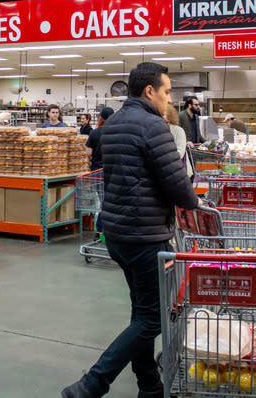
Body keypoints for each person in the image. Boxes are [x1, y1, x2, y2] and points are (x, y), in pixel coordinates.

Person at [62, 62, 199, 398]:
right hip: (146, 234)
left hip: (118, 233)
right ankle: (91, 385)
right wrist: (194, 201)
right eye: (167, 92)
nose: (170, 99)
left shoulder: (115, 123)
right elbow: (176, 184)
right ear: (149, 91)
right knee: (152, 320)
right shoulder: (154, 126)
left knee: (142, 313)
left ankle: (149, 387)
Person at [85, 107, 114, 241]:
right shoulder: (116, 133)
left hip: (97, 172)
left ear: (101, 117)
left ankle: (100, 231)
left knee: (103, 202)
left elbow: (88, 153)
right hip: (112, 172)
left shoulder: (94, 133)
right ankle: (107, 231)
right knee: (110, 202)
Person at [165, 106, 194, 181]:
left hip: (180, 175)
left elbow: (180, 153)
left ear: (169, 116)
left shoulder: (178, 130)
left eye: (162, 114)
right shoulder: (156, 131)